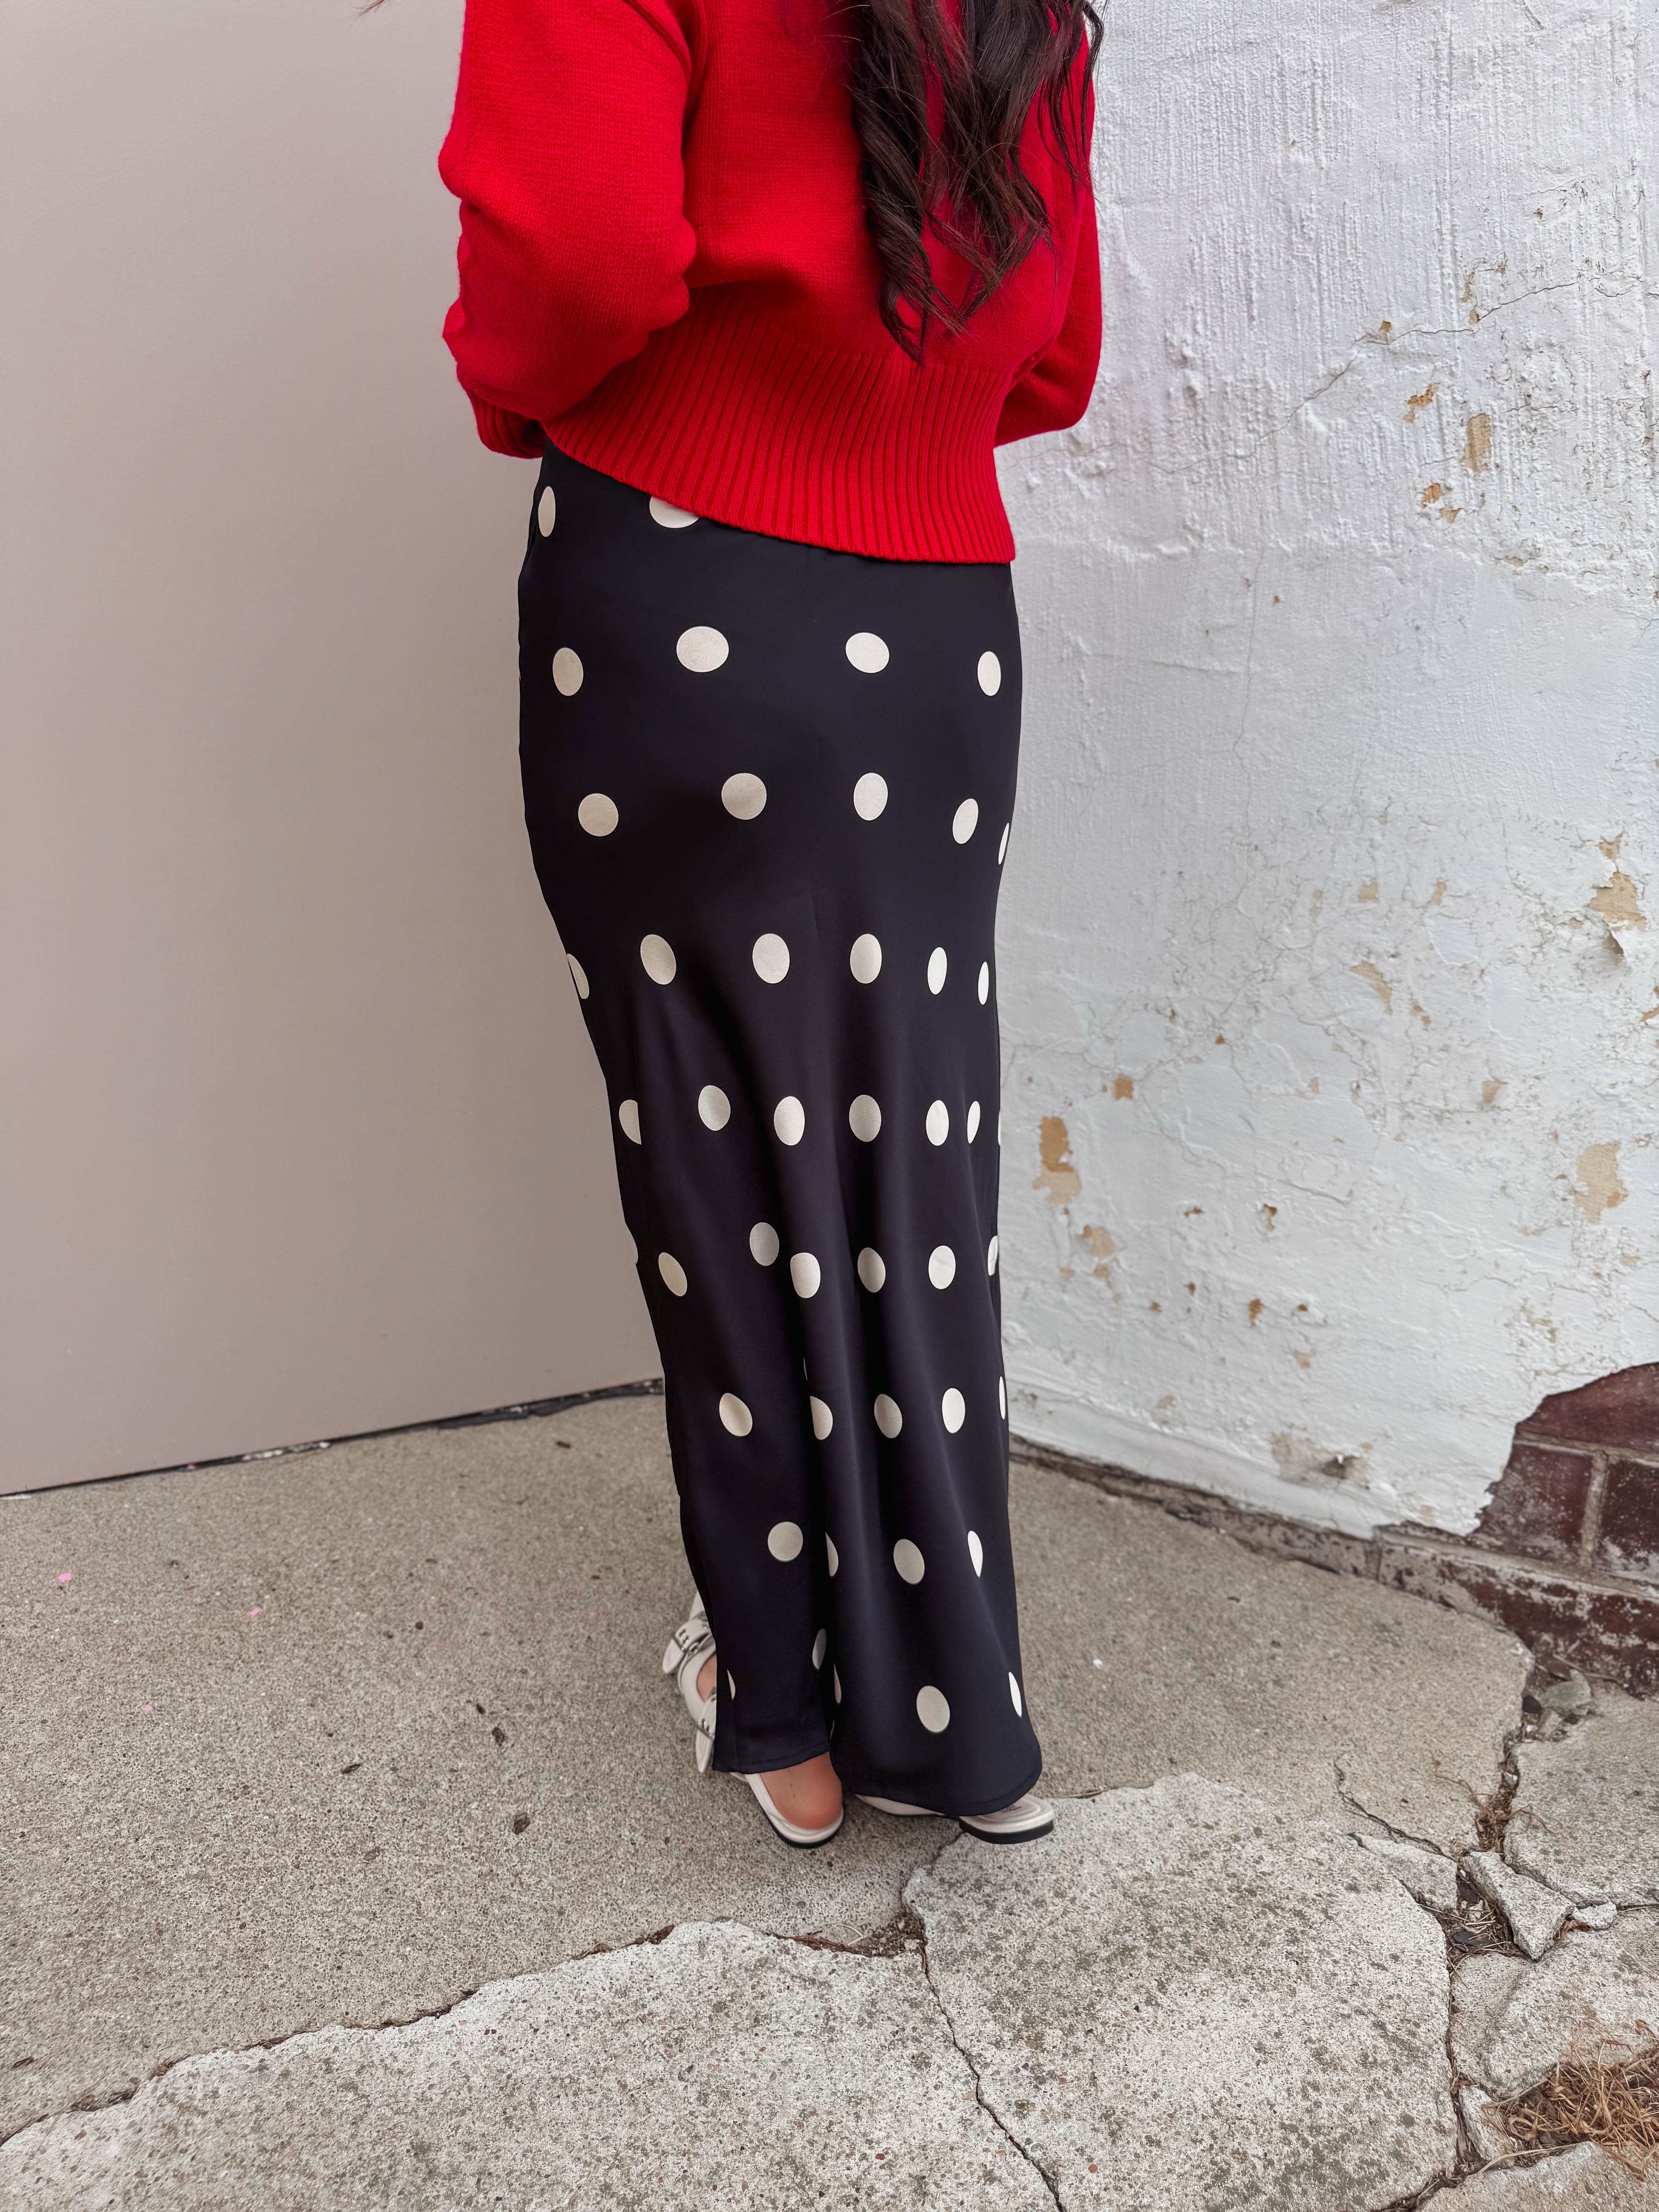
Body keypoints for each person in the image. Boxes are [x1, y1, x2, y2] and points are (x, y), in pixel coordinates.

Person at [439, 0, 1101, 1848]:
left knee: (719, 1155)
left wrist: (526, 390)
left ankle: (789, 1716)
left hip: (685, 587)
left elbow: (576, 254)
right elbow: (1054, 350)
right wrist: (889, 416)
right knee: (913, 1166)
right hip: (941, 632)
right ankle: (958, 1721)